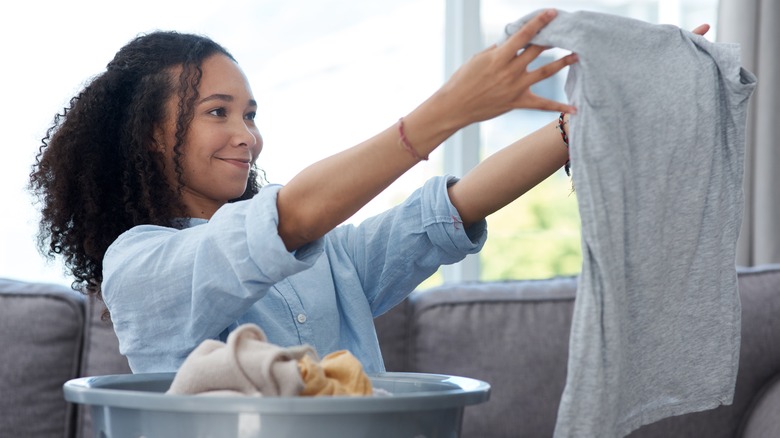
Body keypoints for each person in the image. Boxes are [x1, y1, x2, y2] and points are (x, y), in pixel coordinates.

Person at [27, 8, 706, 374]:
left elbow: (448, 209)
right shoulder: (139, 265)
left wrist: (590, 122)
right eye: (218, 112)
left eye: (251, 114)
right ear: (150, 133)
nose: (246, 135)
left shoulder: (326, 258)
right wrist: (449, 109)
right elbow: (284, 222)